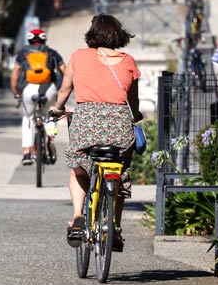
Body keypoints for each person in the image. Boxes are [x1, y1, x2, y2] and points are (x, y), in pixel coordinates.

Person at [50, 14, 142, 252]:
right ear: (118, 35)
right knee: (119, 174)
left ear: (93, 34)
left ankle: (78, 215)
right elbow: (133, 100)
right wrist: (136, 115)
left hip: (86, 124)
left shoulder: (79, 57)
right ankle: (116, 228)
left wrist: (57, 109)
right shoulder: (129, 61)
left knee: (79, 169)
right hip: (119, 127)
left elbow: (65, 89)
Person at [11, 28, 66, 166]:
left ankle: (26, 154)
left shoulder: (23, 53)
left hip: (29, 89)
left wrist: (16, 92)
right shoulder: (52, 53)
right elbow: (65, 72)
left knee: (28, 118)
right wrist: (62, 89)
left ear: (29, 40)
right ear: (44, 40)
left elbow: (15, 75)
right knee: (49, 115)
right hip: (49, 89)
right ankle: (50, 137)